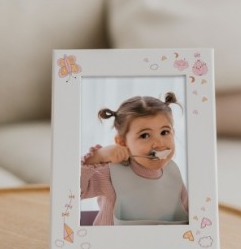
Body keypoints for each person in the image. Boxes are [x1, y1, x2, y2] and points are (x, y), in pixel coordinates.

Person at [81, 92, 189, 226]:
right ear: (122, 142)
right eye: (145, 136)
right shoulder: (110, 174)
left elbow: (187, 214)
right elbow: (71, 190)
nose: (159, 143)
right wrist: (97, 157)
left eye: (164, 132)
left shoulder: (173, 174)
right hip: (112, 245)